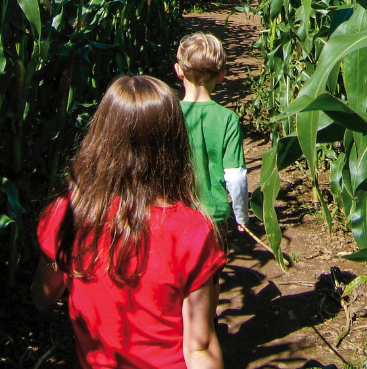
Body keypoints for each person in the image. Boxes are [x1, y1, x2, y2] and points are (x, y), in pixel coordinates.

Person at [31, 75, 226, 369]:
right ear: (172, 143)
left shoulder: (67, 213)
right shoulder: (192, 230)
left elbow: (43, 296)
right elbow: (199, 347)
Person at [174, 32, 249, 242]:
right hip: (213, 215)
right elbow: (236, 177)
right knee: (210, 269)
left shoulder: (169, 114)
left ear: (178, 70)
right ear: (221, 75)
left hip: (175, 212)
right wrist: (241, 215)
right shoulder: (228, 119)